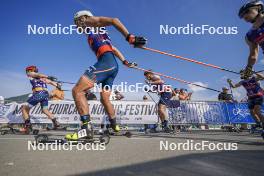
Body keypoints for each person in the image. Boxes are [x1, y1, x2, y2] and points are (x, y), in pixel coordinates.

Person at [66, 10, 146, 140]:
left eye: (77, 22)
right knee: (104, 98)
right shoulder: (99, 33)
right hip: (112, 66)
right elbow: (113, 49)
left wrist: (129, 37)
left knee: (78, 90)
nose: (77, 26)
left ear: (83, 18)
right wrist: (125, 62)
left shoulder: (89, 22)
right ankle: (114, 126)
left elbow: (114, 20)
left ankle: (86, 129)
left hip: (106, 63)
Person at [21, 65, 60, 132]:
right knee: (45, 110)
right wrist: (57, 85)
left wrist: (49, 77)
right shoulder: (42, 78)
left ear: (30, 70)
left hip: (39, 93)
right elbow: (50, 82)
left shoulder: (31, 74)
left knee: (24, 108)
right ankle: (55, 122)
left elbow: (36, 74)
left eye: (27, 71)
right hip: (45, 94)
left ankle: (27, 127)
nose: (27, 73)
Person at [227, 69, 264, 138]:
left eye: (242, 73)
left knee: (257, 111)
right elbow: (234, 86)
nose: (241, 75)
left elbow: (262, 77)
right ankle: (258, 124)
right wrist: (230, 82)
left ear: (247, 73)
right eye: (241, 74)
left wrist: (254, 72)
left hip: (258, 96)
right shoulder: (243, 81)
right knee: (251, 112)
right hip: (250, 98)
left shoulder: (254, 78)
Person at [238, 0, 264, 76]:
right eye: (242, 16)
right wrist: (249, 67)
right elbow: (253, 54)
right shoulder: (249, 36)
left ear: (258, 8)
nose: (244, 16)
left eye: (247, 11)